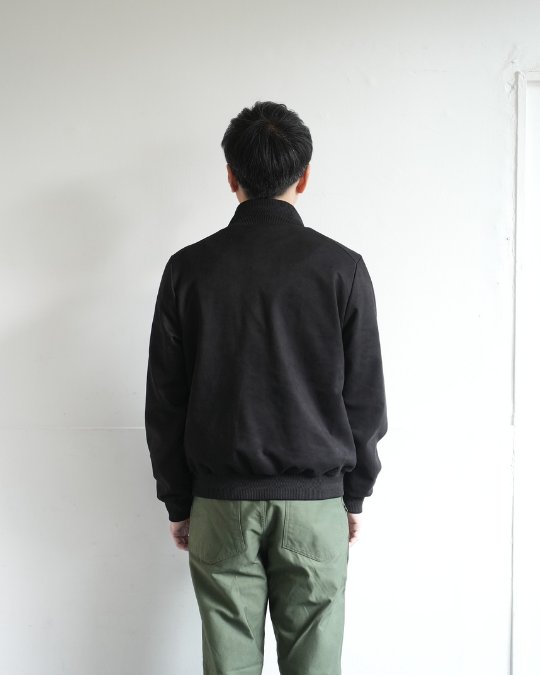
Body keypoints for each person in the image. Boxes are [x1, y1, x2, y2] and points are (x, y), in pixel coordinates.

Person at [145, 100, 388, 675]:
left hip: (220, 501)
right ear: (304, 176)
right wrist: (353, 494)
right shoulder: (343, 268)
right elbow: (365, 398)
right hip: (315, 502)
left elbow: (166, 399)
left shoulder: (188, 269)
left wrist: (179, 500)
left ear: (231, 175)